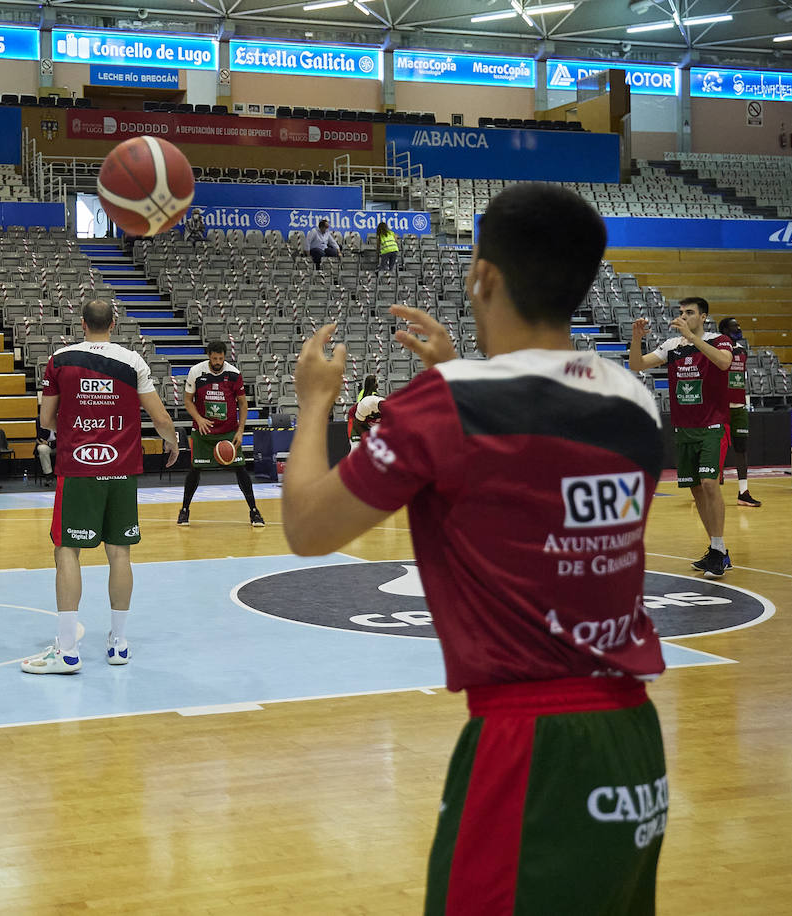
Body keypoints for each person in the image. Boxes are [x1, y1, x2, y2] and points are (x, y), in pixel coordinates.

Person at [282, 183, 668, 916]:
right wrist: (456, 371)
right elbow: (527, 465)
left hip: (529, 745)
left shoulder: (447, 404)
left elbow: (307, 527)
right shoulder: (632, 398)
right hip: (633, 740)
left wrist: (313, 403)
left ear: (482, 275)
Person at [22, 299, 180, 674]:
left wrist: (74, 434)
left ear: (82, 323)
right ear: (113, 323)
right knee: (120, 555)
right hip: (122, 468)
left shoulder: (60, 359)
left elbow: (46, 418)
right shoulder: (133, 361)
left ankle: (68, 651)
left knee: (67, 551)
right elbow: (159, 417)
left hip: (77, 468)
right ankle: (119, 644)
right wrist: (173, 443)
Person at [630, 297, 734, 577]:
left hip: (713, 424)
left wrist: (690, 337)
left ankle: (719, 548)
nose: (684, 317)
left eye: (690, 313)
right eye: (681, 313)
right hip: (684, 427)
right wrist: (636, 338)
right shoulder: (672, 347)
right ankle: (716, 549)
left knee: (710, 483)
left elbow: (724, 364)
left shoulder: (719, 340)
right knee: (697, 489)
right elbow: (637, 365)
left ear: (703, 317)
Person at [176, 341, 263, 528]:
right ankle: (184, 510)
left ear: (225, 357)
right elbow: (188, 401)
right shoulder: (196, 372)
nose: (218, 362)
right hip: (203, 431)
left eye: (221, 358)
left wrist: (240, 431)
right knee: (195, 469)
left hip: (228, 431)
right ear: (209, 356)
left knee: (241, 469)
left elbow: (243, 404)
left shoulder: (233, 374)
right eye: (214, 358)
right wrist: (199, 419)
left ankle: (254, 511)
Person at [717, 317, 761, 508]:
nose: (739, 328)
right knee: (714, 450)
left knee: (741, 449)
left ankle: (743, 492)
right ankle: (707, 488)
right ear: (724, 330)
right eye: (735, 326)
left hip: (739, 406)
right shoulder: (717, 350)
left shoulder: (742, 351)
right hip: (720, 407)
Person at [34, 417, 54, 484]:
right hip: (46, 445)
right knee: (42, 448)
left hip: (60, 445)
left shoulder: (64, 417)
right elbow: (40, 438)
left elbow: (65, 437)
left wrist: (50, 443)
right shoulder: (40, 419)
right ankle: (48, 475)